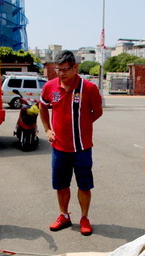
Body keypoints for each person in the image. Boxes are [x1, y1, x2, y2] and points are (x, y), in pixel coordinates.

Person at [39, 50, 103, 236]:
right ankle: (64, 215)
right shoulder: (50, 87)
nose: (61, 74)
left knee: (84, 185)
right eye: (57, 70)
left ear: (75, 67)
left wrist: (83, 124)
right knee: (60, 184)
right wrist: (48, 129)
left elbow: (97, 112)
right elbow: (43, 107)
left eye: (65, 70)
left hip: (82, 148)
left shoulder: (89, 88)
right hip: (59, 148)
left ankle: (84, 217)